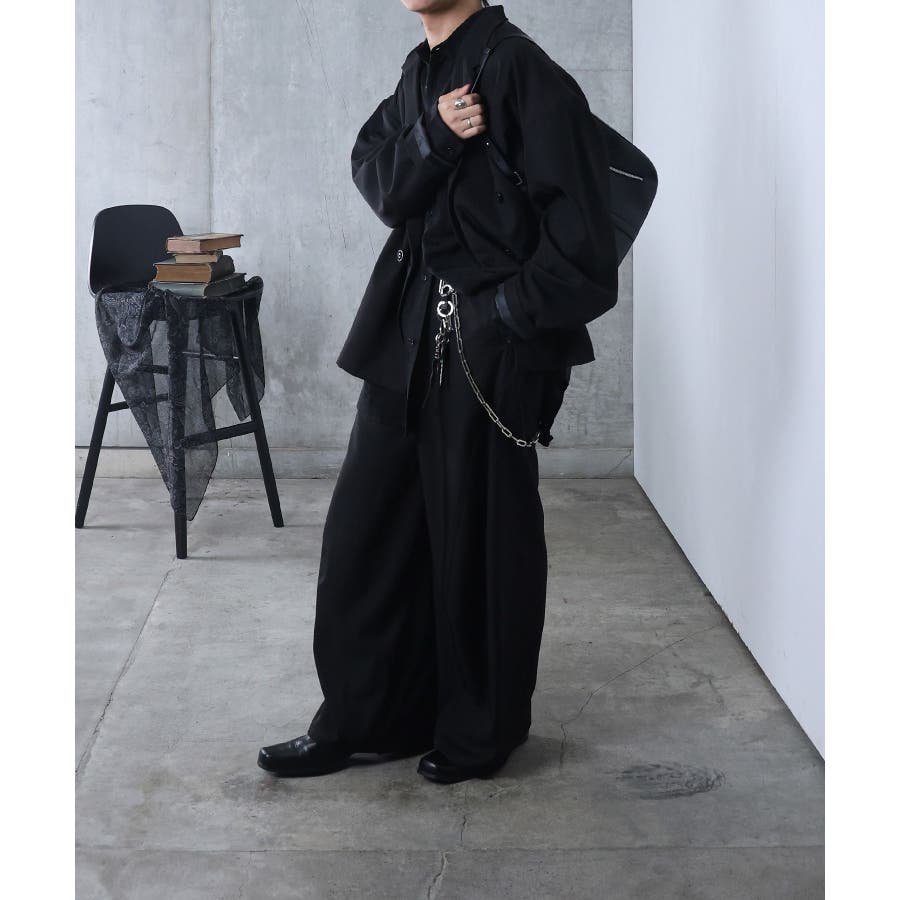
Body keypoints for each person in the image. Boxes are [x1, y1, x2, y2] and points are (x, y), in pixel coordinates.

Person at [257, 0, 618, 784]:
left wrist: (504, 315)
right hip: (408, 330)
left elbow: (586, 237)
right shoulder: (420, 72)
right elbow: (379, 180)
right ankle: (366, 717)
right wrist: (432, 136)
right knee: (367, 533)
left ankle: (483, 729)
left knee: (480, 539)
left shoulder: (518, 67)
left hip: (490, 346)